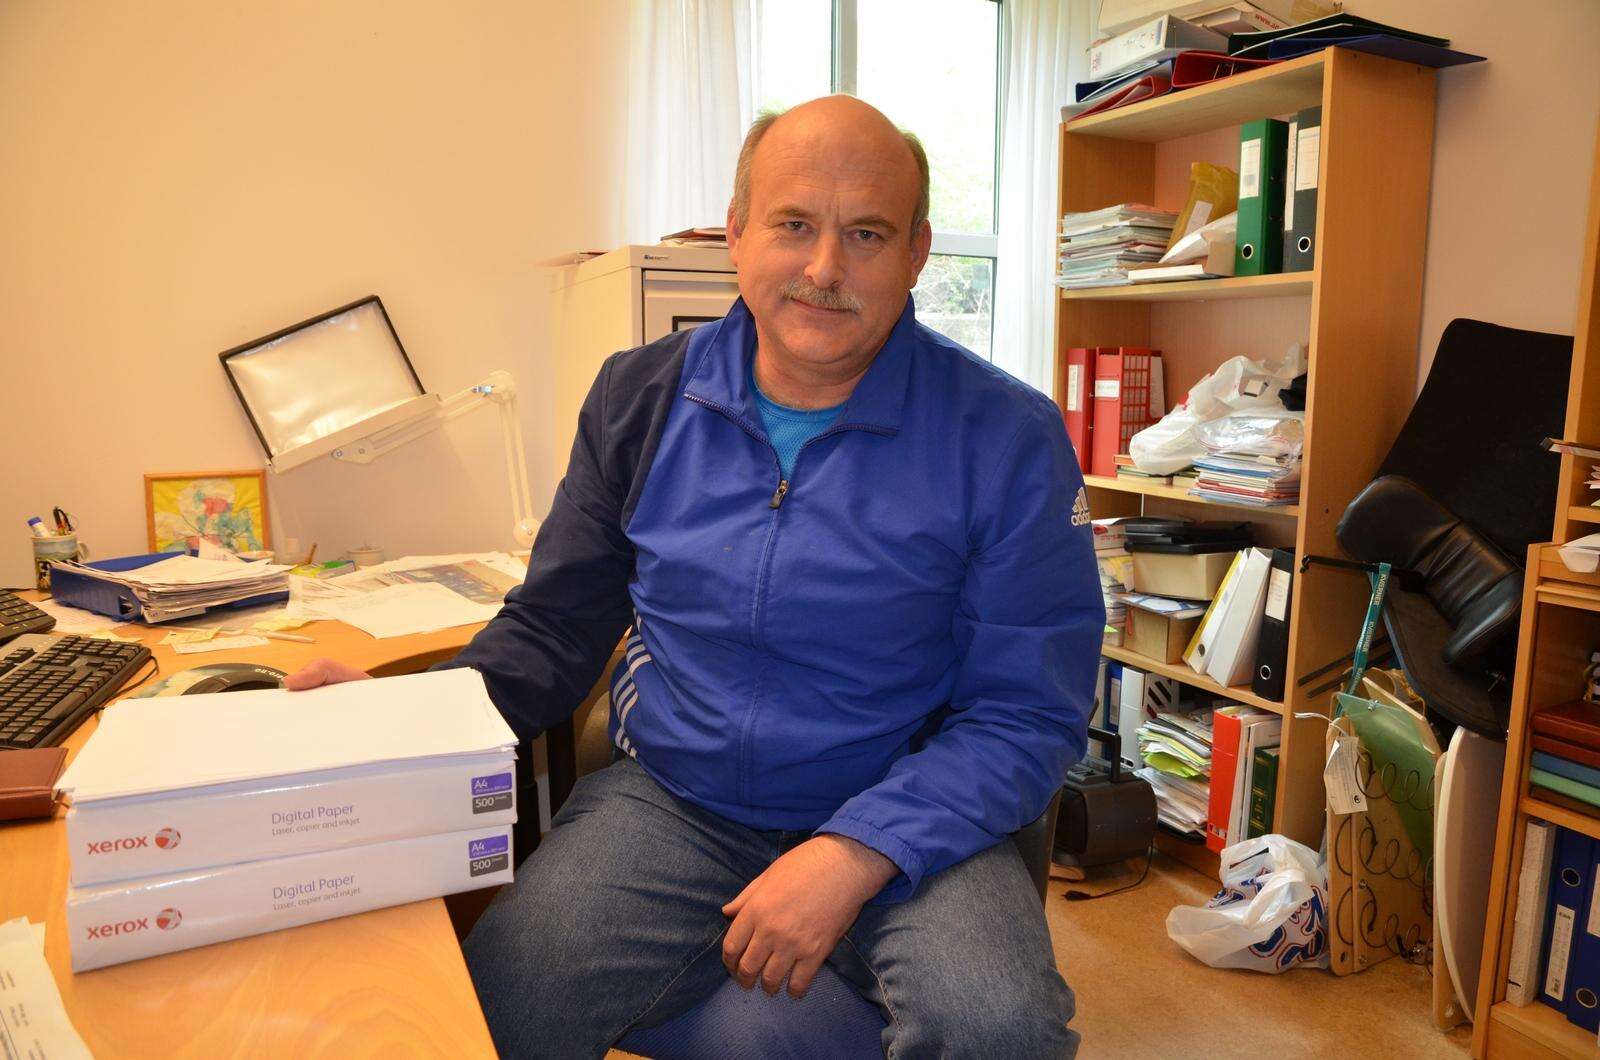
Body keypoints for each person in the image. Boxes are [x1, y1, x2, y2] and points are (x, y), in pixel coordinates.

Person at [287, 95, 1102, 1058]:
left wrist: (855, 852)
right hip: (678, 800)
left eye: (867, 234)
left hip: (907, 807)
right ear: (737, 233)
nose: (824, 268)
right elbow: (555, 628)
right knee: (494, 1005)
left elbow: (1026, 711)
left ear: (918, 252)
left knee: (997, 1027)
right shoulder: (640, 398)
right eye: (793, 225)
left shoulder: (1006, 436)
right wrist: (409, 719)